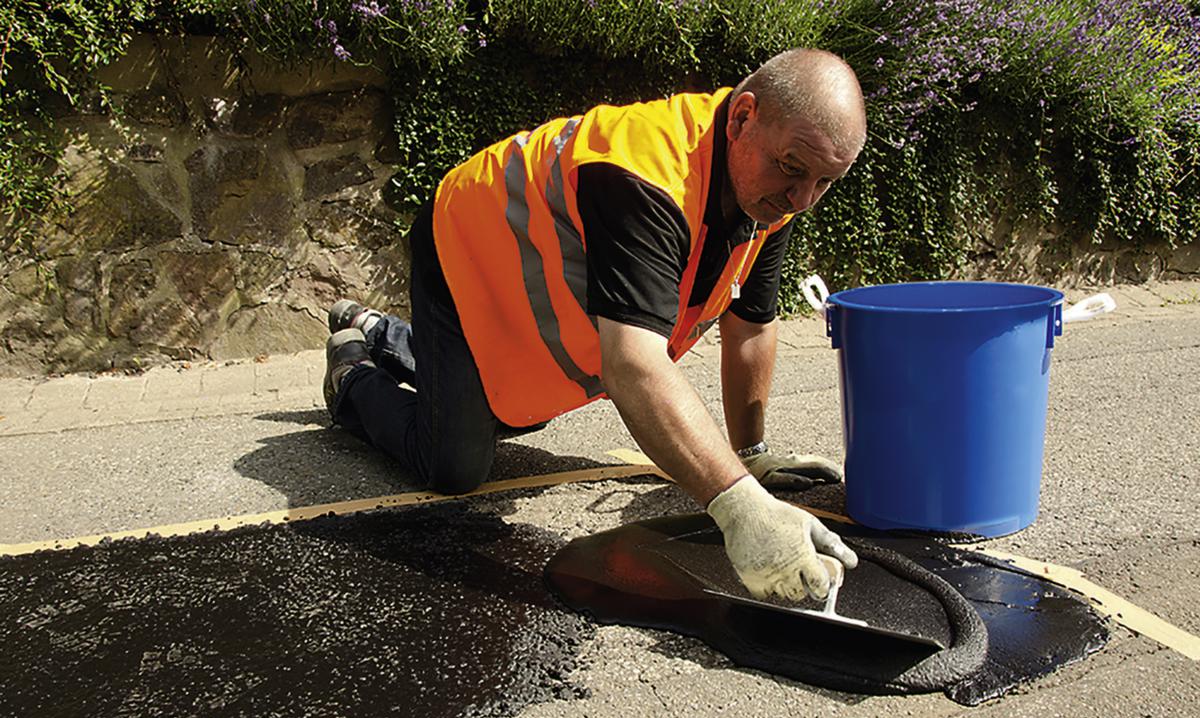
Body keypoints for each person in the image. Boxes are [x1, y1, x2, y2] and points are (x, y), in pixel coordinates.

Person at [323, 48, 867, 603]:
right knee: (454, 464)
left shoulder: (769, 193)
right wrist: (739, 505)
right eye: (794, 169)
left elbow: (750, 324)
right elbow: (633, 364)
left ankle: (383, 331)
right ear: (743, 116)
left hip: (514, 296)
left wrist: (750, 455)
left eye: (827, 182)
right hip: (464, 247)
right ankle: (353, 372)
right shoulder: (647, 177)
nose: (803, 198)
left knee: (515, 404)